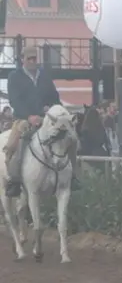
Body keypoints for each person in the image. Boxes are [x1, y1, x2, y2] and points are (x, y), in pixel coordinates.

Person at [5, 46, 62, 197]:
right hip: (24, 119)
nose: (32, 61)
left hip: (47, 119)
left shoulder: (45, 76)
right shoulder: (14, 76)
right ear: (22, 59)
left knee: (67, 137)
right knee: (16, 143)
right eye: (29, 58)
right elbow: (14, 100)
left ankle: (72, 176)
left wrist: (52, 108)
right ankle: (15, 180)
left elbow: (55, 97)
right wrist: (29, 116)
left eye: (34, 59)